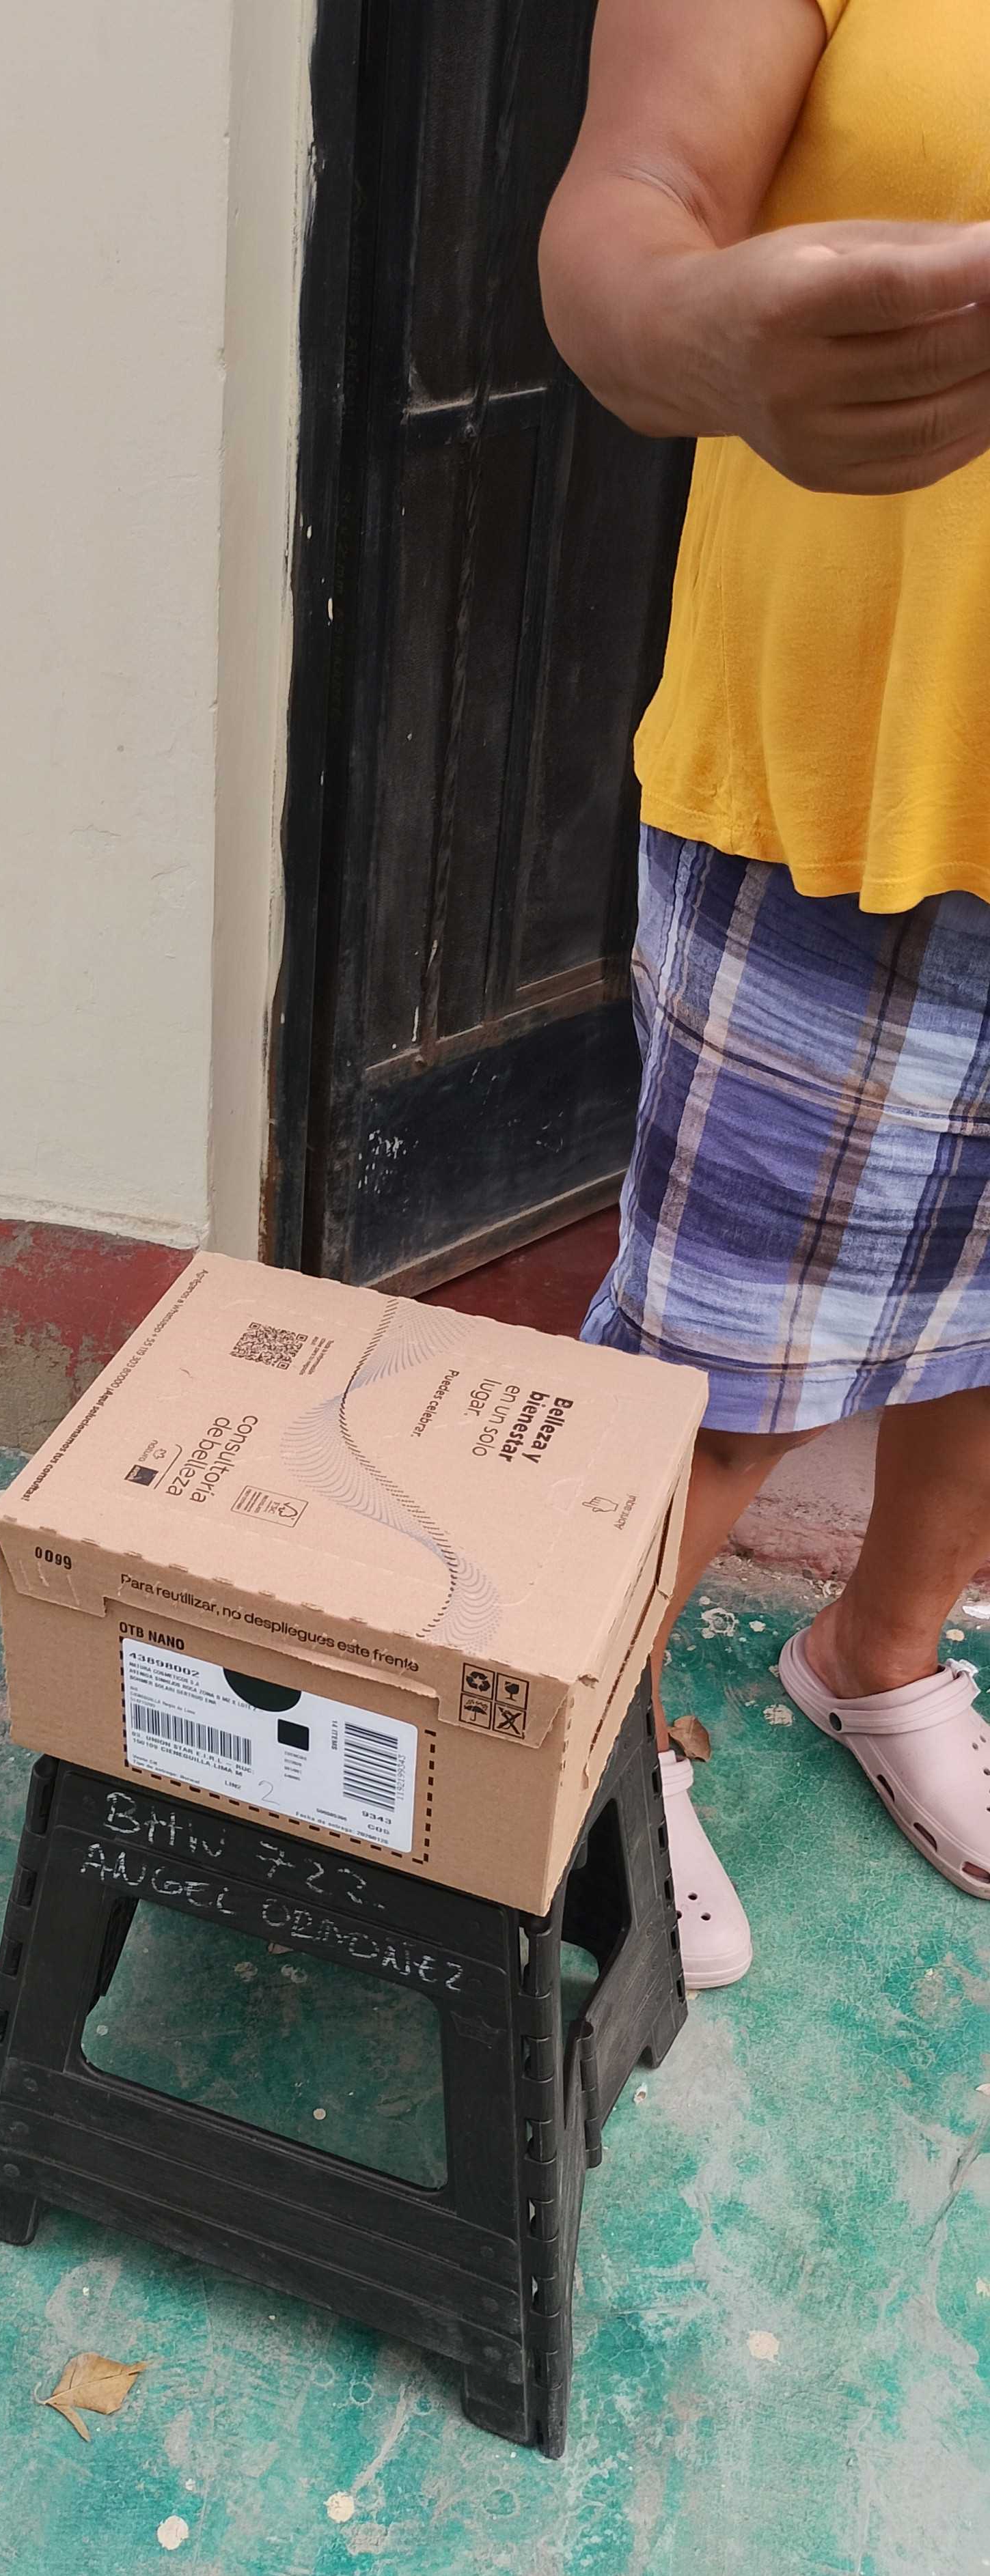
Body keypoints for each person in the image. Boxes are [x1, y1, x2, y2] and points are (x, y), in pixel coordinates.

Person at [540, 0, 990, 1986]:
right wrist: (699, 334)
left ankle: (879, 1658)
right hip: (863, 783)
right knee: (723, 1357)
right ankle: (591, 1741)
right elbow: (630, 205)